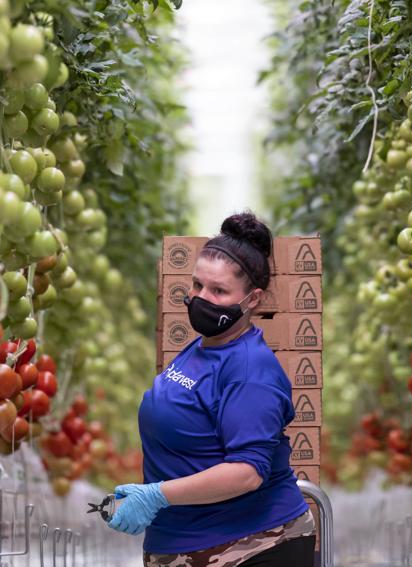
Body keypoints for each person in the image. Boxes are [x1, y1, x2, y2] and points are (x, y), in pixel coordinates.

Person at [105, 212, 316, 566]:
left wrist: (157, 495)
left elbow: (247, 472)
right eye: (197, 285)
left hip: (247, 547)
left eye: (218, 291)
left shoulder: (251, 370)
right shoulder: (203, 346)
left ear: (252, 300)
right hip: (187, 542)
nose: (201, 298)